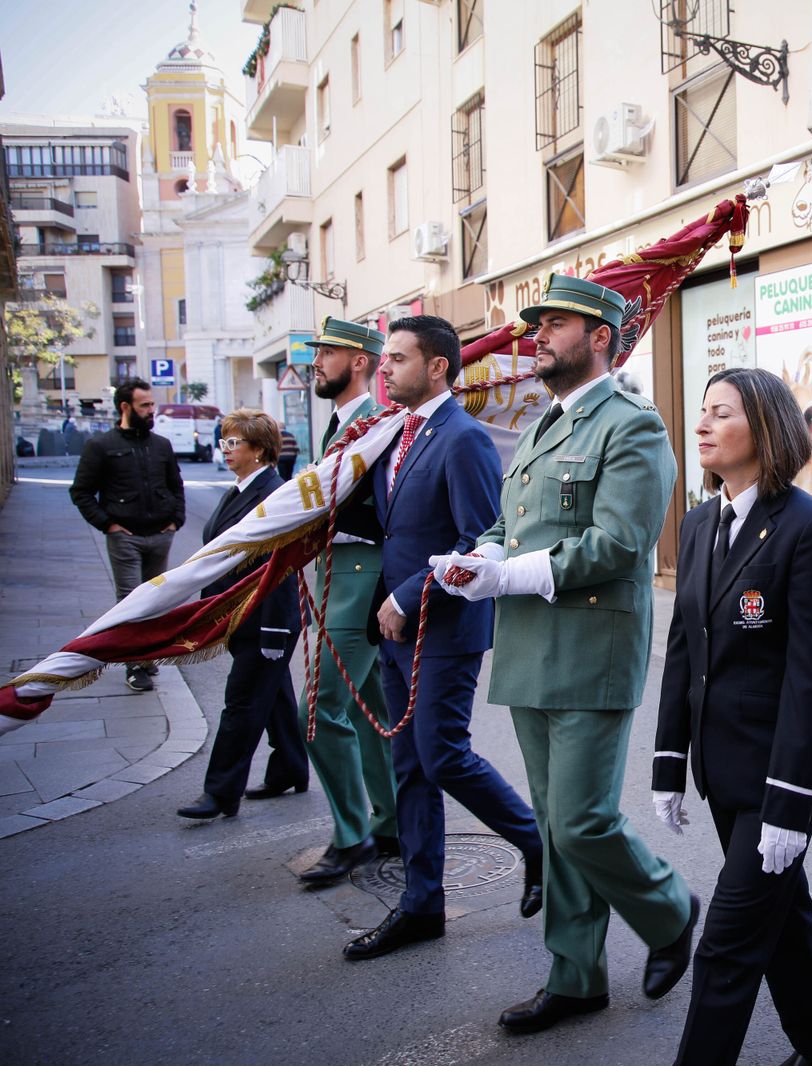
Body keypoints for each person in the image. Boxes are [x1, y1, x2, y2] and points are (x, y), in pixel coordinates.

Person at [427, 279, 696, 1032]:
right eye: (537, 324)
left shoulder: (631, 425)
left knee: (581, 821)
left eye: (555, 324)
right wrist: (477, 558)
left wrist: (510, 574)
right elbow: (513, 528)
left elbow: (619, 543)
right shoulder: (543, 425)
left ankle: (671, 910)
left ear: (601, 337)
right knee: (553, 824)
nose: (538, 335)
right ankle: (575, 976)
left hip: (588, 649)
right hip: (529, 649)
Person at [653, 366, 812, 1066]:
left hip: (779, 777)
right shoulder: (702, 520)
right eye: (701, 411)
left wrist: (791, 806)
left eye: (721, 413)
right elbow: (684, 649)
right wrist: (669, 763)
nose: (701, 424)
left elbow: (810, 677)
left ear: (763, 429)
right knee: (784, 924)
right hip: (721, 770)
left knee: (727, 948)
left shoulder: (810, 527)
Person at [334, 315, 544, 962]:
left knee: (442, 754)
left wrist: (405, 597)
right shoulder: (395, 433)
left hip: (443, 628)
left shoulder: (463, 439)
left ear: (437, 368)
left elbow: (482, 538)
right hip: (396, 629)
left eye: (397, 359)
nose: (383, 368)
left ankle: (538, 843)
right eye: (383, 358)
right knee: (411, 767)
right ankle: (422, 904)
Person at [295, 318, 399, 884]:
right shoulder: (341, 422)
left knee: (316, 711)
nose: (317, 361)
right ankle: (391, 823)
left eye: (328, 352)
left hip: (360, 577)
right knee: (366, 712)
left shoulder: (373, 422)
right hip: (336, 574)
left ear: (360, 361)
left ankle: (352, 833)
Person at [176, 410, 307, 819]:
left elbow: (282, 568)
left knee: (241, 705)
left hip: (263, 619)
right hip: (238, 616)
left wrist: (272, 630)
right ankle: (290, 767)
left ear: (259, 449)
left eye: (234, 443)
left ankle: (219, 793)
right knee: (275, 697)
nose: (226, 449)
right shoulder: (239, 489)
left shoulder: (274, 494)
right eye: (224, 441)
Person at [69, 378, 185, 692]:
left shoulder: (161, 445)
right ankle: (135, 666)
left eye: (152, 404)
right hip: (125, 538)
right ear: (125, 407)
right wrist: (108, 525)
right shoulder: (101, 446)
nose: (152, 410)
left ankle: (146, 657)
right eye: (144, 405)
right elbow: (80, 492)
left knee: (156, 602)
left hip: (160, 536)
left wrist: (176, 520)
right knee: (131, 602)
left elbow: (176, 486)